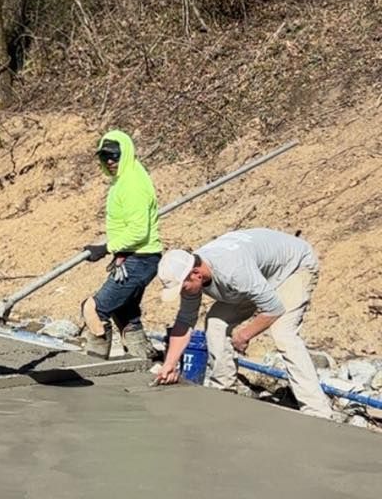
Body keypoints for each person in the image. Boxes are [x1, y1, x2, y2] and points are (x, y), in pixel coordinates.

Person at [154, 231, 332, 420]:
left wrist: (244, 335)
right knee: (216, 322)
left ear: (196, 274)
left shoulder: (233, 271)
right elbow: (184, 321)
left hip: (293, 268)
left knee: (283, 333)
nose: (184, 293)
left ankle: (317, 411)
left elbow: (273, 308)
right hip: (258, 277)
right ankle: (223, 391)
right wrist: (170, 364)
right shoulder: (194, 271)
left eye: (183, 288)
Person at [79, 130, 163, 362]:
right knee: (125, 313)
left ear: (125, 153)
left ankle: (92, 366)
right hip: (135, 256)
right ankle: (144, 362)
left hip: (141, 258)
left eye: (114, 156)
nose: (110, 161)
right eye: (104, 157)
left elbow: (138, 231)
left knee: (95, 309)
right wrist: (119, 252)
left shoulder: (133, 184)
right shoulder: (126, 178)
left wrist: (105, 248)